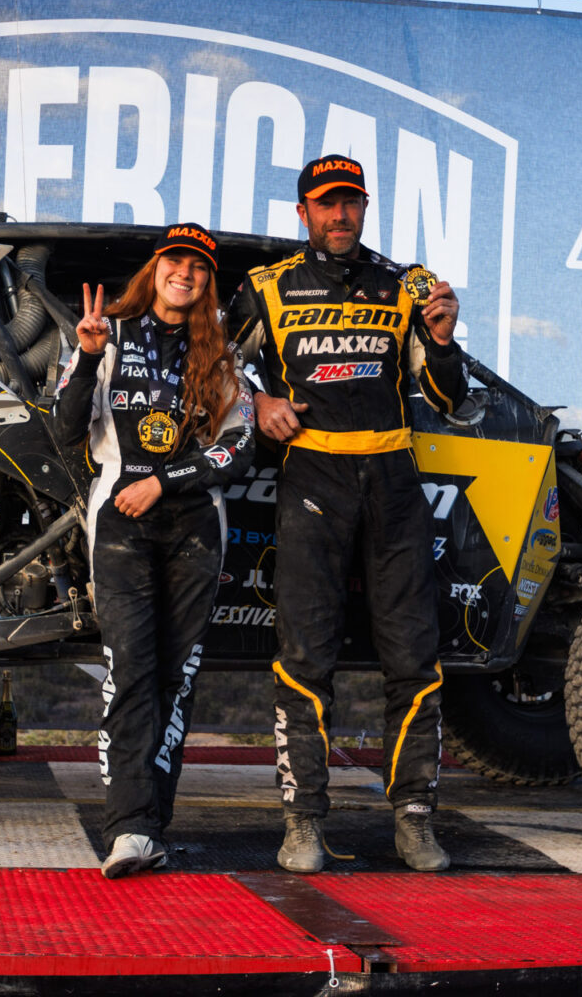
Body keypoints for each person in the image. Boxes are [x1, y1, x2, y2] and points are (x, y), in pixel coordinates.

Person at [227, 154, 467, 874]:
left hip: (393, 482)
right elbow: (215, 370)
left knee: (414, 659)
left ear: (365, 208)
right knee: (305, 657)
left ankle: (415, 821)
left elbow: (448, 397)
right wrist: (259, 402)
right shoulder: (266, 289)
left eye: (352, 203)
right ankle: (302, 823)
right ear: (303, 212)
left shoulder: (407, 287)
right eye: (327, 205)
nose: (341, 216)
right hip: (313, 479)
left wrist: (446, 338)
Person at [51, 221, 255, 879]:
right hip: (119, 528)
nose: (185, 274)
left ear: (206, 282)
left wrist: (164, 482)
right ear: (156, 269)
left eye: (198, 267)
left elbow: (237, 449)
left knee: (178, 678)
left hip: (196, 525)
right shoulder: (107, 334)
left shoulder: (221, 358)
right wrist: (84, 357)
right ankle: (131, 828)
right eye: (175, 261)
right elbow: (64, 426)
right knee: (131, 670)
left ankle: (150, 827)